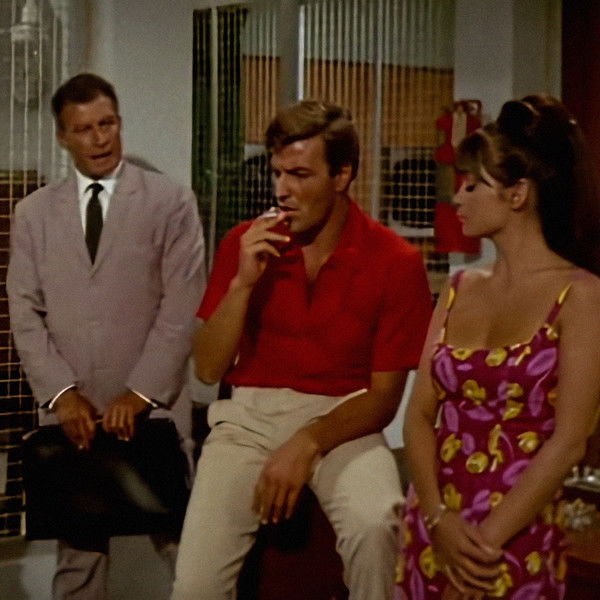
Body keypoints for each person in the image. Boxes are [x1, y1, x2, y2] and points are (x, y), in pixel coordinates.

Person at [170, 100, 432, 600]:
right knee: (195, 585)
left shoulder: (396, 261)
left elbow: (384, 399)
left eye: (300, 175)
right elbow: (207, 368)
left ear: (342, 175)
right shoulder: (244, 242)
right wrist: (243, 285)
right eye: (277, 173)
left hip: (345, 419)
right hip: (248, 419)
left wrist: (306, 442)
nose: (282, 190)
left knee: (377, 524)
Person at [7, 73, 206, 600]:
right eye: (84, 129)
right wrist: (60, 393)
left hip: (154, 405)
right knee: (79, 555)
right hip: (72, 410)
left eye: (108, 124)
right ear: (62, 137)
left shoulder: (170, 202)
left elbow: (183, 305)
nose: (100, 139)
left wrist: (141, 393)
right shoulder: (33, 214)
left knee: (185, 548)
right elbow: (24, 311)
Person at [396, 95, 600, 600]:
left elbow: (570, 441)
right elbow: (418, 415)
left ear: (517, 194)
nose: (458, 198)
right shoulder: (459, 287)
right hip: (434, 524)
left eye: (473, 185)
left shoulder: (581, 295)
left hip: (510, 539)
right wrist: (437, 519)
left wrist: (481, 546)